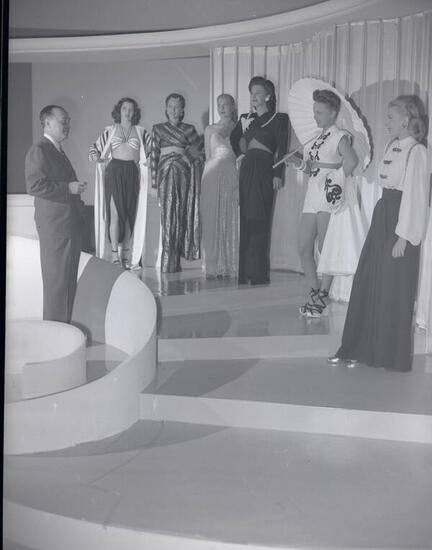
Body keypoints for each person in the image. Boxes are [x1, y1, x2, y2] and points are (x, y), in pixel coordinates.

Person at [330, 95, 428, 371]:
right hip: (383, 215)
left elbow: (416, 197)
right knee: (369, 281)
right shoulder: (390, 145)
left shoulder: (417, 152)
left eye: (390, 118)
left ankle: (389, 355)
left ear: (406, 120)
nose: (386, 122)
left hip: (400, 223)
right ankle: (358, 348)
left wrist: (403, 236)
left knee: (394, 289)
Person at [285, 89, 358, 316]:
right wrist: (297, 162)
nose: (315, 116)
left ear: (332, 113)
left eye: (319, 112)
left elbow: (351, 161)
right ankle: (315, 291)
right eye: (314, 111)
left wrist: (334, 180)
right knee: (303, 247)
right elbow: (310, 168)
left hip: (327, 195)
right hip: (312, 194)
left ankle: (323, 295)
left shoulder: (340, 136)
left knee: (325, 247)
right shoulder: (314, 138)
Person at [25, 105, 87, 323]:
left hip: (67, 225)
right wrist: (68, 188)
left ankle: (63, 332)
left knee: (66, 284)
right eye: (63, 120)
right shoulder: (39, 149)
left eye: (68, 121)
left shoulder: (56, 150)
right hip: (56, 227)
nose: (67, 125)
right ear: (48, 123)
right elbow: (34, 186)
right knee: (57, 286)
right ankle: (54, 334)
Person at [230, 76, 289, 285]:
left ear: (268, 96)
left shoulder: (280, 118)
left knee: (260, 218)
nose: (253, 97)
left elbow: (282, 148)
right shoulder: (246, 118)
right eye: (251, 93)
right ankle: (244, 273)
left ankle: (258, 274)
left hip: (265, 169)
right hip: (247, 169)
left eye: (258, 93)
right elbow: (233, 139)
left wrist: (278, 174)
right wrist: (240, 155)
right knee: (246, 218)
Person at [89, 98, 151, 269]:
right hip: (114, 172)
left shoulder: (141, 131)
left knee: (130, 214)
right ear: (119, 110)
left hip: (132, 173)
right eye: (124, 108)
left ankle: (126, 254)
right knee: (115, 213)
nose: (127, 112)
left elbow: (153, 151)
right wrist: (96, 156)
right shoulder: (110, 130)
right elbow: (94, 149)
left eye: (131, 109)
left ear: (135, 112)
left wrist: (150, 160)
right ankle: (115, 254)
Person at [151, 93, 204, 273]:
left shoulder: (189, 129)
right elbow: (154, 157)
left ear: (182, 110)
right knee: (167, 217)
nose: (174, 110)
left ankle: (176, 262)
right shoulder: (158, 129)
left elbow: (200, 150)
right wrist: (153, 185)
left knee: (180, 215)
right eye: (170, 107)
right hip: (165, 177)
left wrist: (186, 157)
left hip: (183, 177)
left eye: (177, 107)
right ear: (166, 109)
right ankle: (167, 263)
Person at [201, 94, 239, 278]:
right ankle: (213, 266)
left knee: (231, 216)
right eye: (219, 105)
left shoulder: (239, 127)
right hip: (211, 175)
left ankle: (231, 265)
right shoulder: (210, 129)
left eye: (226, 104)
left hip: (231, 173)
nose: (222, 108)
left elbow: (241, 154)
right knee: (212, 217)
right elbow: (208, 156)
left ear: (233, 106)